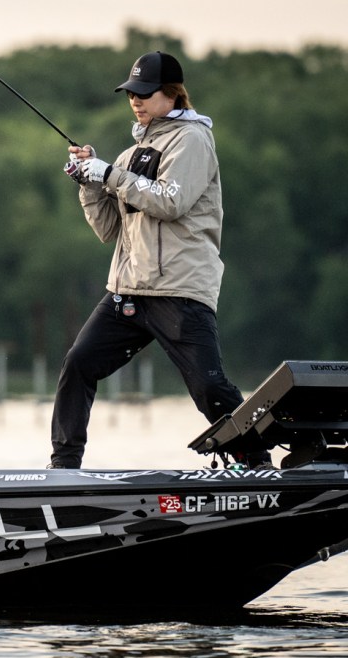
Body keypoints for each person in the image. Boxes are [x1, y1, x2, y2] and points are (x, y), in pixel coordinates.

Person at [51, 51, 271, 470]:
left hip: (179, 289)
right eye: (130, 93)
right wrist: (89, 185)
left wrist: (108, 174)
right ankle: (63, 465)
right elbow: (109, 230)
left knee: (209, 389)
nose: (135, 100)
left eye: (144, 92)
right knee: (78, 364)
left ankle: (257, 464)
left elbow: (171, 202)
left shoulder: (193, 140)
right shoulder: (131, 154)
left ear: (172, 94)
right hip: (129, 289)